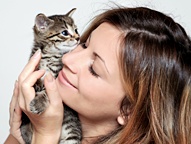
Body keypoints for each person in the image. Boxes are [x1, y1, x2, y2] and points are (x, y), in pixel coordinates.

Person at [5, 6, 191, 144]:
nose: (69, 60)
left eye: (94, 69)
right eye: (85, 44)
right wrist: (18, 135)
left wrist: (45, 136)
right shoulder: (39, 120)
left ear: (127, 110)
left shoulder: (45, 130)